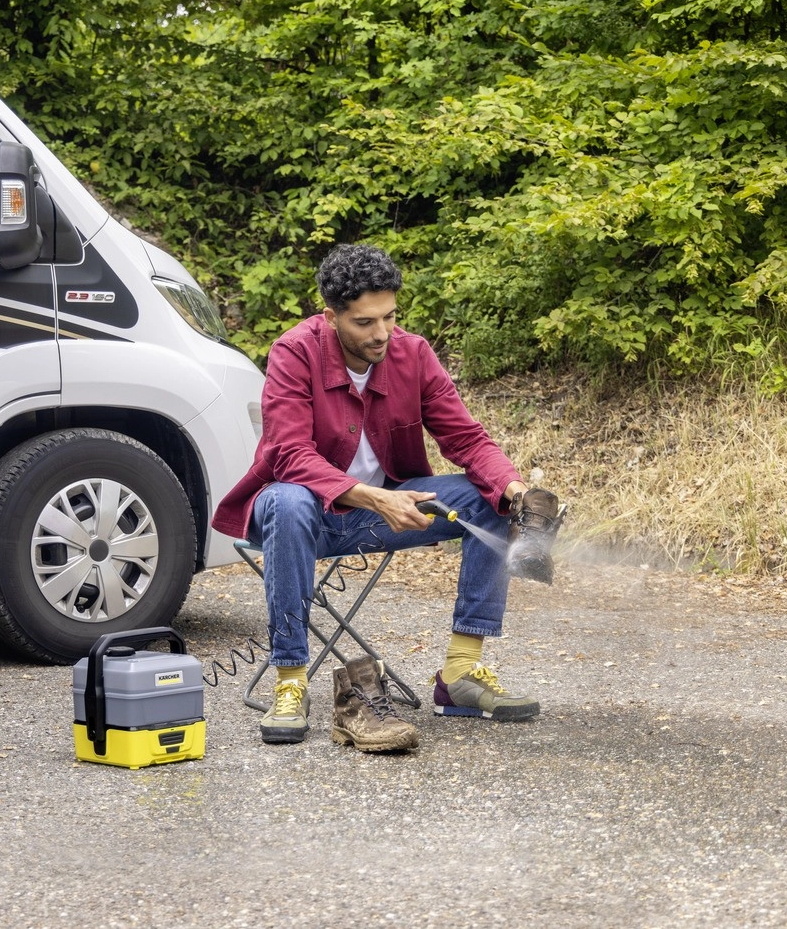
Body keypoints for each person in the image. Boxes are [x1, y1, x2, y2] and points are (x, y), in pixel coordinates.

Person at [211, 243, 554, 752]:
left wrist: (515, 488)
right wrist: (375, 498)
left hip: (380, 515)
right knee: (288, 499)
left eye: (390, 316)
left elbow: (467, 438)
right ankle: (290, 682)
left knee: (487, 497)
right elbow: (289, 454)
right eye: (364, 322)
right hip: (300, 518)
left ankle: (460, 674)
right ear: (331, 317)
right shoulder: (294, 351)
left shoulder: (412, 354)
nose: (381, 333)